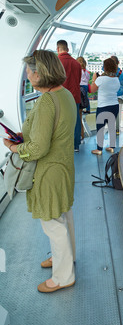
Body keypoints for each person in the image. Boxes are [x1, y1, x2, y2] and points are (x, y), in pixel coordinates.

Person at [3, 50, 77, 292]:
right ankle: (66, 258)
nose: (27, 75)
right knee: (63, 215)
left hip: (48, 171)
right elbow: (54, 132)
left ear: (39, 73)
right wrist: (29, 136)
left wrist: (15, 147)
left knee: (53, 223)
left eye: (28, 70)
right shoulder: (64, 95)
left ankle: (63, 276)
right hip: (63, 166)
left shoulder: (46, 101)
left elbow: (38, 148)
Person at [90, 58, 120, 155]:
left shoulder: (100, 79)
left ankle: (99, 149)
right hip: (114, 105)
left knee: (100, 128)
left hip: (103, 106)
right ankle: (111, 146)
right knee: (111, 126)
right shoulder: (116, 79)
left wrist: (94, 80)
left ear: (105, 67)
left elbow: (92, 90)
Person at [57, 40, 82, 152]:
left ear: (58, 49)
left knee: (60, 121)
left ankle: (63, 145)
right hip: (75, 96)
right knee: (75, 120)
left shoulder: (57, 62)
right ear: (67, 49)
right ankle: (76, 145)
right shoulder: (76, 63)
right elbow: (79, 80)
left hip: (61, 96)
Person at [111, 56, 123, 134]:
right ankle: (117, 130)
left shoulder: (108, 73)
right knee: (118, 113)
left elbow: (103, 68)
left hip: (111, 95)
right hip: (120, 95)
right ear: (118, 62)